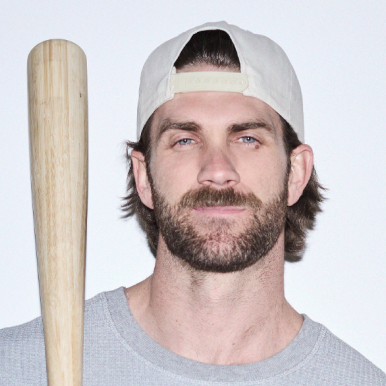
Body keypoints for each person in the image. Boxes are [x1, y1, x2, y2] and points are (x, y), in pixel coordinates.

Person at [1, 21, 385, 385]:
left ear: (296, 173)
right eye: (184, 140)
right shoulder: (17, 368)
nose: (217, 170)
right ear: (144, 177)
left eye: (247, 138)